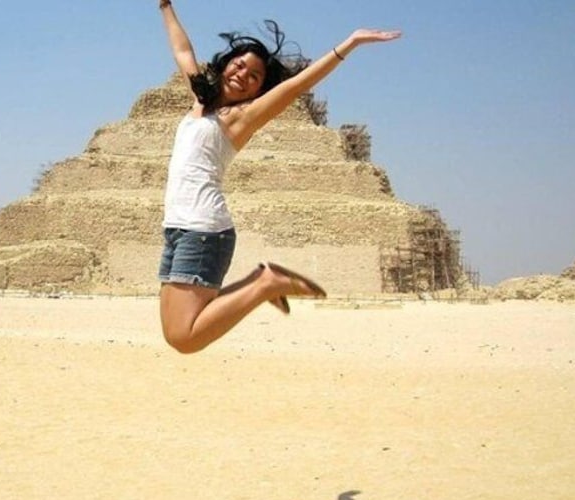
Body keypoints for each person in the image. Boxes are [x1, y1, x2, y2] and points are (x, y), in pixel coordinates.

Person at [157, 0, 401, 353]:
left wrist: (349, 44)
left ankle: (265, 284)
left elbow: (298, 85)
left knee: (185, 338)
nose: (242, 75)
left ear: (259, 89)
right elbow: (182, 49)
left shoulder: (241, 117)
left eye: (254, 76)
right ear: (225, 64)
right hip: (177, 228)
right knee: (172, 332)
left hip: (204, 229)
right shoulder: (200, 99)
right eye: (239, 66)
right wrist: (165, 6)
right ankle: (262, 281)